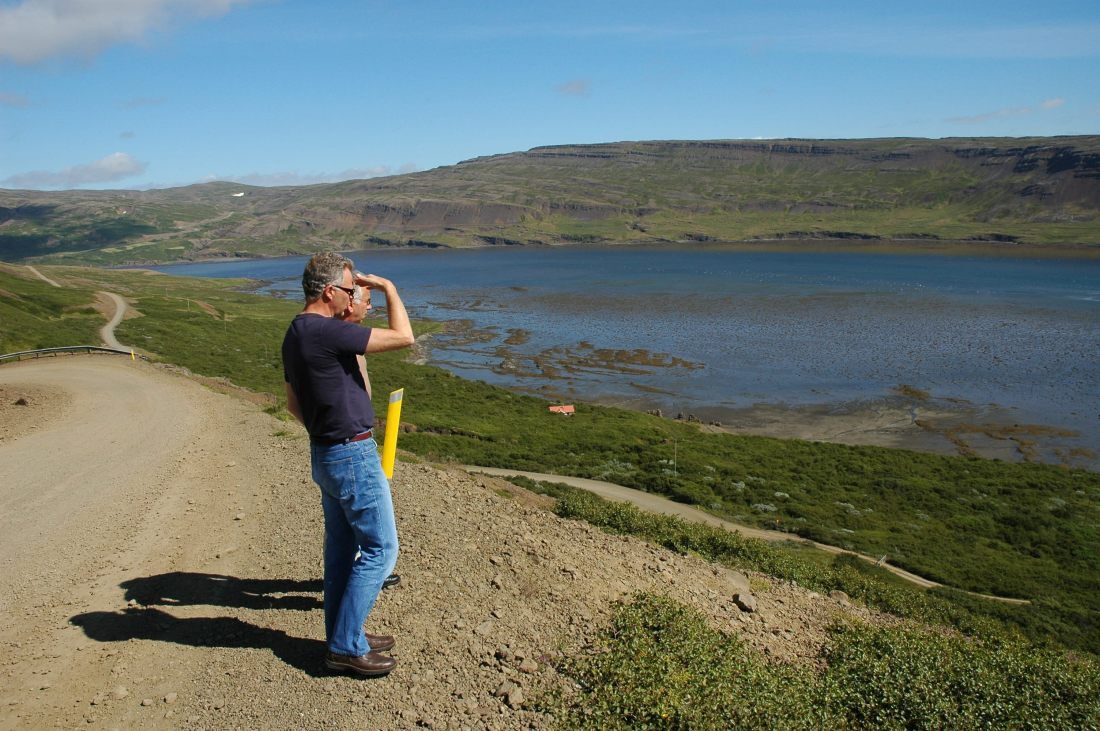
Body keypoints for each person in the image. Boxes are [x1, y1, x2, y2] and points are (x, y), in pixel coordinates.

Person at [281, 252, 414, 677]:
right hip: (351, 453)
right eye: (351, 289)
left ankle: (345, 633)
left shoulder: (296, 333)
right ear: (329, 293)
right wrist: (390, 288)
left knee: (341, 552)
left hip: (326, 452)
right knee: (380, 549)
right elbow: (404, 337)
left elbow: (292, 404)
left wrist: (326, 434)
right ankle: (344, 646)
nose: (356, 295)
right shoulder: (323, 332)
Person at [338, 284, 401, 591]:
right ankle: (349, 630)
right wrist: (389, 287)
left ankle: (351, 577)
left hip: (347, 442)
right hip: (352, 446)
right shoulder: (339, 339)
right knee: (380, 537)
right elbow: (403, 335)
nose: (370, 308)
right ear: (348, 303)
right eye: (368, 301)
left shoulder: (337, 338)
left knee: (348, 526)